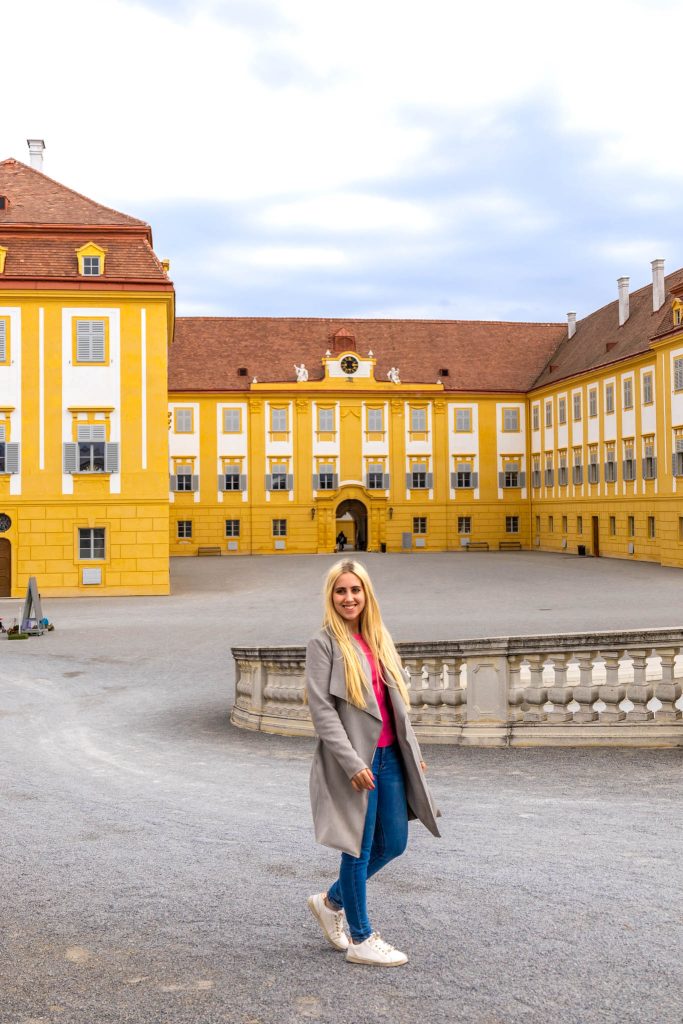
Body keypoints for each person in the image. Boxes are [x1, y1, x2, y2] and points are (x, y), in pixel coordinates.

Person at [305, 560, 441, 967]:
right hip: (356, 762)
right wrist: (351, 763)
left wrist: (414, 753)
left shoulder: (378, 637)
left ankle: (331, 902)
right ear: (331, 596)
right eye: (340, 591)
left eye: (355, 590)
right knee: (358, 849)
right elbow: (322, 711)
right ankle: (361, 938)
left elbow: (396, 705)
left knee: (394, 843)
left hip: (391, 757)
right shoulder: (323, 644)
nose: (348, 598)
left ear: (366, 593)